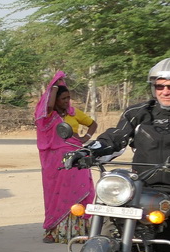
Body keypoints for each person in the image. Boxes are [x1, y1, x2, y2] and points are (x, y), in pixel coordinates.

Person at [70, 58, 170, 191]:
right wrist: (88, 152)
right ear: (153, 87)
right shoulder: (139, 112)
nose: (165, 92)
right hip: (142, 186)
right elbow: (116, 138)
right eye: (160, 86)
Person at [34, 72, 96, 243]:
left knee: (80, 190)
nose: (67, 101)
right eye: (63, 98)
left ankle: (81, 231)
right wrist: (54, 85)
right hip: (55, 163)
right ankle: (55, 231)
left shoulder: (73, 113)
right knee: (56, 194)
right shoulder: (48, 116)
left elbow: (92, 124)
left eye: (68, 98)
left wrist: (86, 138)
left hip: (77, 158)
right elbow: (48, 106)